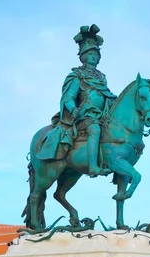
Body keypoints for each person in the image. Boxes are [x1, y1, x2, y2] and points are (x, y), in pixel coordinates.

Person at [39, 24, 117, 177]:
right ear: (84, 56)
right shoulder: (77, 76)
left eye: (96, 54)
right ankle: (93, 167)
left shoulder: (101, 77)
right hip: (85, 116)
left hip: (103, 115)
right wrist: (73, 109)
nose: (94, 56)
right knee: (94, 129)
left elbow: (106, 94)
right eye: (91, 53)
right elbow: (68, 97)